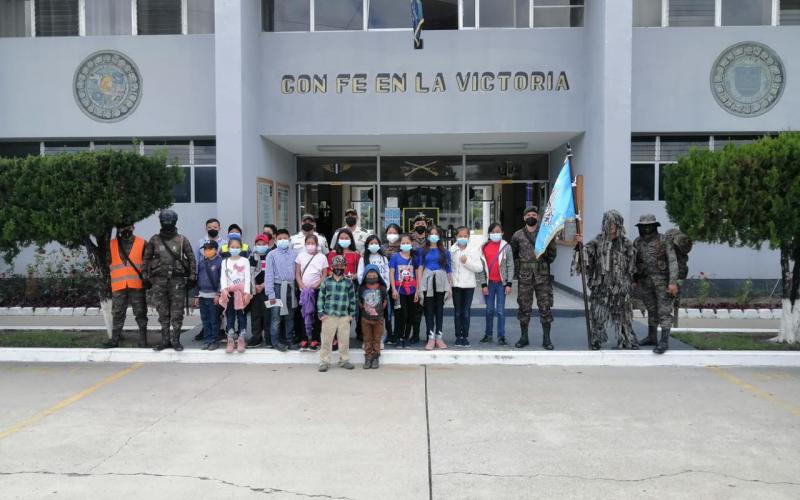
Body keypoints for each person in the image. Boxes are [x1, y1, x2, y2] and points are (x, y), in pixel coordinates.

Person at [574, 210, 638, 350]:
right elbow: (585, 255)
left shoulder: (626, 244)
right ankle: (595, 340)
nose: (611, 226)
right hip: (601, 287)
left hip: (620, 288)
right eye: (608, 223)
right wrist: (580, 245)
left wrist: (628, 283)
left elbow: (632, 266)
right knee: (597, 314)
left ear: (619, 224)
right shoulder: (597, 242)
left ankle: (627, 340)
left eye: (613, 223)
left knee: (623, 316)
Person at [144, 210, 197, 352]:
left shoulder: (182, 240)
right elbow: (146, 259)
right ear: (161, 222)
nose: (167, 223)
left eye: (170, 221)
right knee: (162, 312)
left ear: (175, 222)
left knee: (177, 312)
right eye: (164, 221)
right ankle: (165, 340)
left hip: (177, 281)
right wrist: (145, 277)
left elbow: (191, 258)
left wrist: (192, 276)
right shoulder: (154, 240)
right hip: (159, 282)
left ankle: (176, 340)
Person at [511, 206, 557, 350]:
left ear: (538, 217)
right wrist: (520, 268)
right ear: (524, 218)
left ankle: (546, 339)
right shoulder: (517, 235)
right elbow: (514, 254)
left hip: (542, 277)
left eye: (534, 215)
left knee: (545, 307)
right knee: (524, 307)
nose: (531, 217)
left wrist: (542, 264)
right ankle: (524, 337)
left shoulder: (545, 234)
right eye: (528, 215)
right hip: (525, 278)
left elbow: (552, 254)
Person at [633, 214, 680, 355]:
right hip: (645, 281)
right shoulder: (637, 242)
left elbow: (672, 261)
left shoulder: (664, 240)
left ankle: (664, 340)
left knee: (664, 311)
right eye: (644, 226)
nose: (647, 228)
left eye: (649, 225)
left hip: (662, 282)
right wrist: (634, 280)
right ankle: (652, 337)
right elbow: (634, 262)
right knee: (651, 309)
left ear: (654, 226)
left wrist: (672, 282)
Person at [103, 221, 148, 349]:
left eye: (128, 227)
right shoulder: (111, 244)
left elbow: (148, 263)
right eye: (122, 228)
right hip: (119, 286)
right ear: (118, 229)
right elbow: (107, 263)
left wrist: (147, 277)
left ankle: (143, 340)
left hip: (137, 285)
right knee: (118, 313)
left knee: (140, 313)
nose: (125, 230)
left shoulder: (143, 243)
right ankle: (114, 340)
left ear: (133, 227)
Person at [477, 223, 515, 346]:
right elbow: (481, 268)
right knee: (489, 310)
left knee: (500, 311)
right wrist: (483, 284)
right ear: (489, 233)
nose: (495, 234)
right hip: (489, 284)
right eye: (493, 232)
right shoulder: (484, 247)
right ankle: (488, 335)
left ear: (502, 232)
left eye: (498, 231)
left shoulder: (506, 247)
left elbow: (510, 265)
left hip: (501, 284)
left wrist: (509, 283)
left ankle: (501, 336)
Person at [317, 255, 356, 372]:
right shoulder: (326, 281)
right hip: (328, 316)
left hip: (344, 316)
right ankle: (324, 362)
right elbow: (321, 298)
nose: (339, 268)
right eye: (336, 266)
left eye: (341, 265)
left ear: (345, 267)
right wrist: (321, 313)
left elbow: (352, 298)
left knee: (344, 340)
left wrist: (351, 314)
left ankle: (344, 360)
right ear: (332, 267)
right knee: (326, 340)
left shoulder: (348, 282)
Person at [416, 225, 452, 350]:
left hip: (441, 282)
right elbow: (420, 268)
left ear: (439, 236)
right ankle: (430, 338)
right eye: (431, 234)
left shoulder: (445, 252)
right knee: (429, 311)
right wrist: (419, 286)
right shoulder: (422, 251)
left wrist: (450, 286)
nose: (434, 236)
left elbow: (448, 269)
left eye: (436, 234)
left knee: (439, 311)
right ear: (428, 235)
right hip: (427, 282)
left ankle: (439, 338)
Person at [449, 226, 482, 347]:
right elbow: (449, 268)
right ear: (456, 237)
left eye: (465, 236)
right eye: (460, 236)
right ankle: (458, 336)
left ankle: (465, 336)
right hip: (456, 286)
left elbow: (479, 268)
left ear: (468, 237)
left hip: (469, 286)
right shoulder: (452, 250)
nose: (462, 238)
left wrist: (466, 261)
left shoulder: (474, 249)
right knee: (458, 312)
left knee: (466, 312)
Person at [265, 229, 297, 351]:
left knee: (290, 315)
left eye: (285, 238)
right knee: (276, 316)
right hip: (277, 287)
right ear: (275, 240)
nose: (283, 240)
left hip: (290, 287)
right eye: (280, 238)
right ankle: (275, 341)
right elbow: (268, 275)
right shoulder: (271, 255)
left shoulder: (294, 254)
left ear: (289, 239)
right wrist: (270, 293)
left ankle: (289, 340)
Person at [296, 233, 329, 350]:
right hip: (304, 291)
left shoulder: (322, 257)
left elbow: (324, 274)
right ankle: (304, 338)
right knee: (304, 314)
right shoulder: (300, 256)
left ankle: (315, 338)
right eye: (308, 243)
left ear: (317, 245)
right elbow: (297, 273)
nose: (310, 245)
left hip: (317, 291)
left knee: (316, 314)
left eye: (313, 243)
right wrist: (302, 285)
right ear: (305, 244)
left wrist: (316, 285)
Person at [219, 236, 252, 353]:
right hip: (229, 293)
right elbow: (223, 277)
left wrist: (247, 293)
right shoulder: (224, 262)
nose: (235, 249)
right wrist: (224, 290)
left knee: (242, 315)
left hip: (241, 293)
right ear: (228, 248)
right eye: (232, 247)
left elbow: (247, 278)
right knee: (230, 316)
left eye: (237, 247)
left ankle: (241, 338)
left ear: (241, 248)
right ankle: (230, 339)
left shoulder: (245, 261)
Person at [194, 218, 225, 341]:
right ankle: (207, 337)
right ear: (206, 228)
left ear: (219, 228)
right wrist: (196, 294)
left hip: (216, 287)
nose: (212, 229)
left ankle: (216, 336)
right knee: (206, 317)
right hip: (203, 289)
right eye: (210, 227)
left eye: (215, 227)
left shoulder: (225, 243)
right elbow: (197, 263)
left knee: (215, 316)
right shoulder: (200, 243)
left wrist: (219, 292)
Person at [330, 228, 362, 341]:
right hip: (336, 286)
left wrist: (354, 276)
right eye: (341, 238)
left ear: (351, 239)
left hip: (351, 286)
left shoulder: (356, 254)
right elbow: (328, 270)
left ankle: (344, 336)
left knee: (349, 311)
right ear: (338, 240)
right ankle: (335, 336)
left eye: (346, 238)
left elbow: (360, 272)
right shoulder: (333, 253)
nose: (344, 240)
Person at [358, 235, 392, 344]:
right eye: (371, 243)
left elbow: (387, 274)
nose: (374, 245)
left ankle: (380, 339)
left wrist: (385, 288)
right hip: (368, 293)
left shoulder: (384, 258)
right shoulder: (363, 258)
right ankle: (367, 340)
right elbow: (360, 275)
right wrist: (366, 289)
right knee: (368, 315)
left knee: (382, 315)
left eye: (376, 243)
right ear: (367, 245)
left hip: (381, 291)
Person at [390, 234, 419, 349]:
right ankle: (399, 337)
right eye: (403, 243)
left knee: (411, 316)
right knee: (401, 315)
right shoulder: (395, 257)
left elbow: (418, 275)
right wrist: (393, 289)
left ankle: (406, 338)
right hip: (399, 291)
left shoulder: (415, 258)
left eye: (408, 243)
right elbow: (391, 273)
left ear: (412, 244)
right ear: (400, 244)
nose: (405, 245)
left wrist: (417, 291)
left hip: (412, 291)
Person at [194, 240, 222, 350]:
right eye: (205, 249)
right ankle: (207, 340)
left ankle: (214, 340)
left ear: (216, 250)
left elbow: (221, 280)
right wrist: (196, 295)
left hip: (213, 296)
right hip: (202, 295)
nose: (207, 251)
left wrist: (218, 294)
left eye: (210, 249)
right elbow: (198, 279)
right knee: (205, 319)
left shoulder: (220, 262)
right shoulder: (202, 262)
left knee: (214, 319)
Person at [359, 265, 388, 369]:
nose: (371, 276)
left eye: (374, 274)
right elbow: (360, 302)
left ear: (378, 275)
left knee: (377, 339)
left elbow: (385, 302)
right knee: (367, 339)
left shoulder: (382, 288)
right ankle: (368, 358)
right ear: (365, 275)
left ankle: (375, 358)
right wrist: (366, 309)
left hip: (378, 319)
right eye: (369, 274)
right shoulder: (362, 288)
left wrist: (377, 311)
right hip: (365, 319)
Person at [247, 233, 272, 347]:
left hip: (267, 290)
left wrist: (263, 285)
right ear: (255, 245)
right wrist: (256, 286)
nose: (261, 246)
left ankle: (268, 337)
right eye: (258, 244)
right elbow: (248, 273)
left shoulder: (271, 256)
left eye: (263, 244)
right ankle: (256, 337)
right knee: (255, 314)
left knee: (268, 315)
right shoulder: (251, 257)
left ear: (268, 244)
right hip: (255, 290)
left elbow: (273, 274)